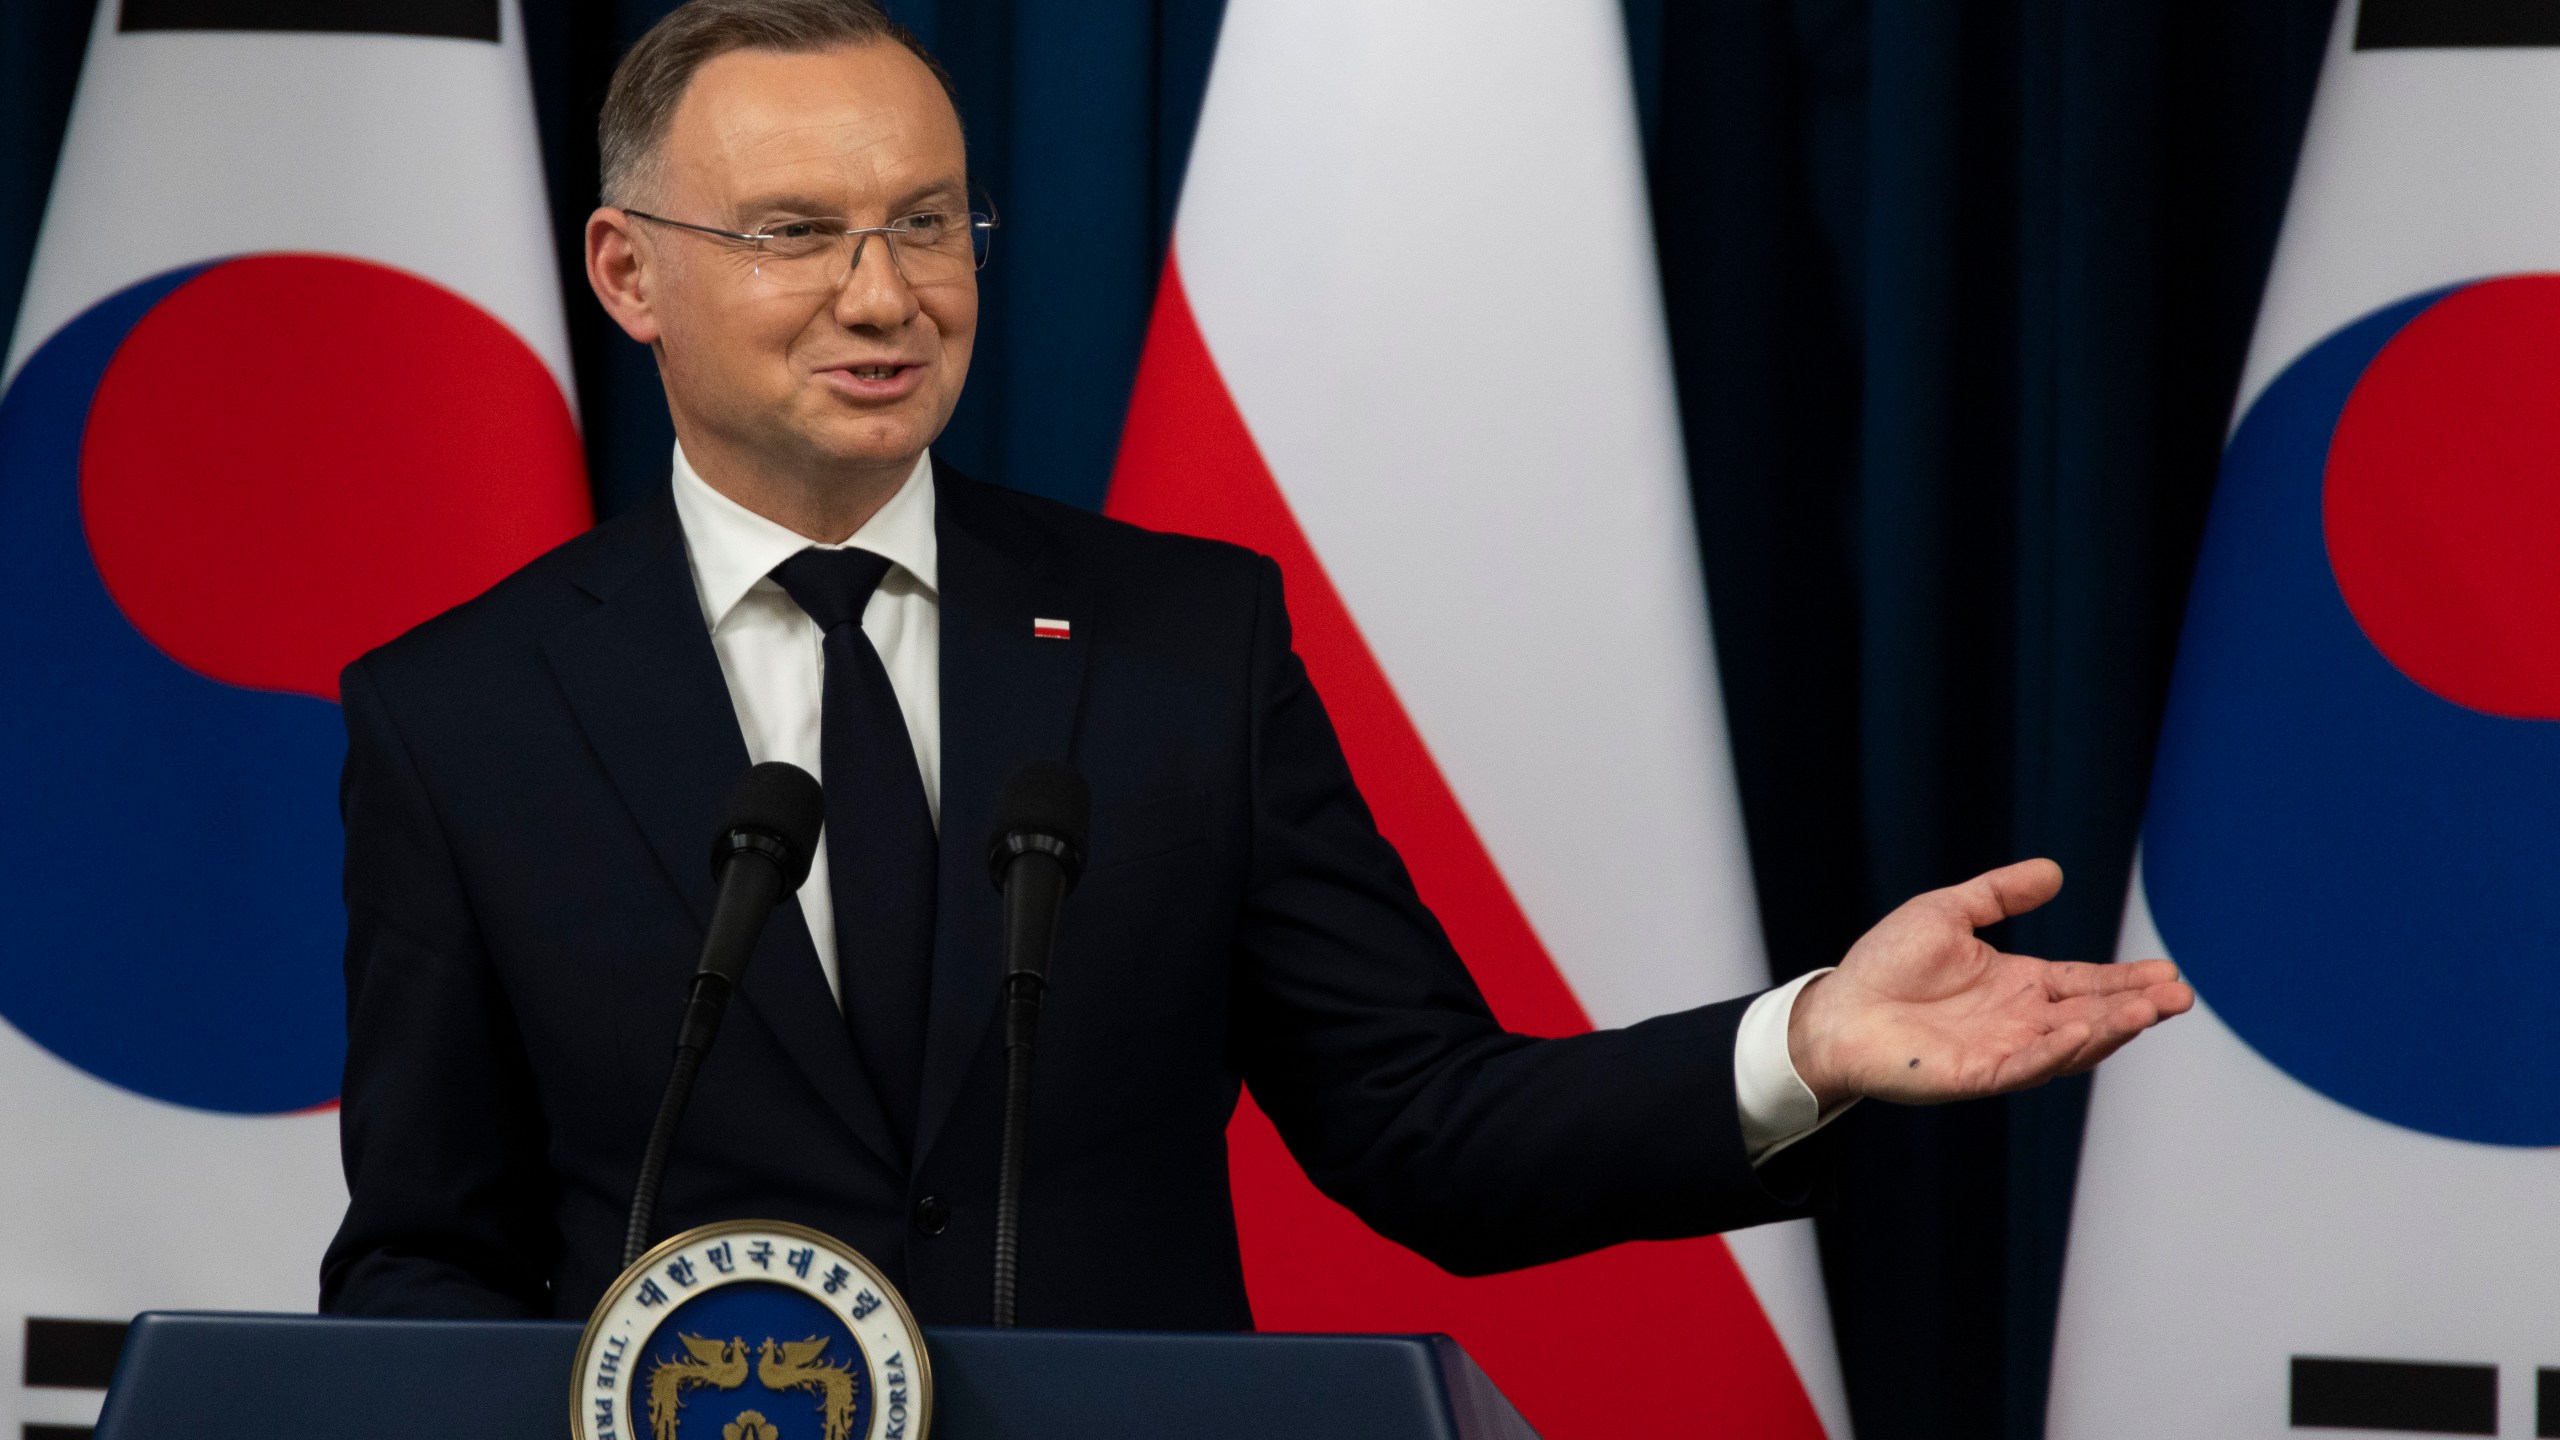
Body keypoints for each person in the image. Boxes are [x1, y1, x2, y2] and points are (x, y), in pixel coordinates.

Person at [319, 0, 2192, 1326]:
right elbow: (427, 1253)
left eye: (925, 223)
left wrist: (1803, 1046)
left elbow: (1425, 1129)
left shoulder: (1176, 643)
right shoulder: (462, 713)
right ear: (630, 272)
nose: (885, 295)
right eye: (798, 235)